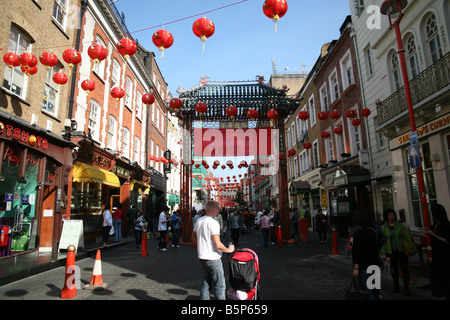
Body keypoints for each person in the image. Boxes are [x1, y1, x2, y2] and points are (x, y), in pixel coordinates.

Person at [191, 200, 235, 300]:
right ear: (213, 209)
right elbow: (217, 243)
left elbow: (193, 237)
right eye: (218, 209)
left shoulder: (199, 221)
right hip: (213, 258)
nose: (219, 211)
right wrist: (228, 250)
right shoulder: (213, 223)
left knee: (206, 284)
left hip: (202, 257)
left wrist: (202, 244)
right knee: (220, 286)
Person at [380, 208, 416, 295]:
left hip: (401, 250)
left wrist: (412, 247)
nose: (392, 217)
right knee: (394, 270)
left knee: (404, 269)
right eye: (390, 215)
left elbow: (407, 237)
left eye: (393, 215)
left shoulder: (400, 226)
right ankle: (396, 286)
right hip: (391, 251)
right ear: (386, 217)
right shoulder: (384, 228)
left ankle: (406, 288)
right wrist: (383, 252)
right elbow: (383, 241)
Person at [419, 204, 450, 300]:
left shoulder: (445, 225)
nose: (432, 215)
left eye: (433, 213)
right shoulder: (436, 224)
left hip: (445, 255)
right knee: (441, 278)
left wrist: (432, 234)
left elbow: (447, 240)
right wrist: (424, 230)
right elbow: (430, 231)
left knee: (446, 279)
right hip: (437, 255)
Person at [352, 208, 380, 300]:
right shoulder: (372, 232)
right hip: (374, 265)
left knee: (365, 291)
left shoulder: (358, 234)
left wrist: (356, 268)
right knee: (374, 290)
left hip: (364, 266)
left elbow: (356, 252)